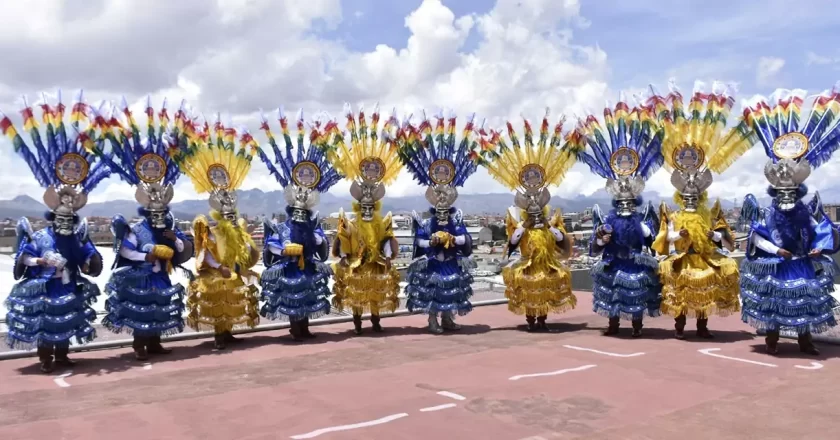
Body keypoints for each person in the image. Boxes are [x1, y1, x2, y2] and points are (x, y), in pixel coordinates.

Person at [2, 93, 108, 372]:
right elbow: (24, 257)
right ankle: (45, 358)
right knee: (47, 321)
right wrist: (41, 261)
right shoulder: (40, 236)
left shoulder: (77, 235)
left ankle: (61, 355)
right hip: (46, 285)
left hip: (69, 283)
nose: (67, 212)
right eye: (63, 207)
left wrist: (88, 262)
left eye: (72, 209)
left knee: (65, 320)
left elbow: (88, 255)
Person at [735, 86, 840, 355]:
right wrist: (776, 250)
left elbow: (820, 229)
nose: (787, 197)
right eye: (783, 193)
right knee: (775, 302)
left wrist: (820, 248)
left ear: (798, 192)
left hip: (802, 262)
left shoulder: (805, 211)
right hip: (779, 264)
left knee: (804, 301)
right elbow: (759, 236)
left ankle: (806, 342)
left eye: (791, 193)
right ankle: (772, 342)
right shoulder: (769, 213)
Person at [94, 98, 195, 360]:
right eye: (155, 212)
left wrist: (175, 241)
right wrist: (147, 255)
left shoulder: (171, 226)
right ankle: (140, 345)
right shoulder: (136, 229)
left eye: (162, 212)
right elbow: (126, 252)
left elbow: (183, 247)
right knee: (142, 309)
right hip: (142, 276)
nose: (159, 216)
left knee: (159, 308)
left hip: (161, 275)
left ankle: (155, 343)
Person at [649, 81, 748, 339]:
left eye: (694, 194)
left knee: (706, 289)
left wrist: (715, 237)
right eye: (686, 195)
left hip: (703, 258)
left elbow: (725, 237)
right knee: (681, 291)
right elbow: (664, 238)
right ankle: (680, 327)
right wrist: (676, 236)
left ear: (701, 194)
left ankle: (702, 328)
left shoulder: (710, 212)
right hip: (684, 258)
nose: (690, 197)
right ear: (679, 195)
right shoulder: (673, 213)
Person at [567, 101, 664, 337]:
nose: (625, 207)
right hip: (614, 263)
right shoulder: (607, 219)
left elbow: (653, 240)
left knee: (637, 294)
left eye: (629, 203)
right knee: (613, 295)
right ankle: (613, 324)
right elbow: (594, 247)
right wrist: (601, 238)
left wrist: (647, 232)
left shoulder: (641, 219)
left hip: (636, 263)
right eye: (622, 204)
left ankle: (637, 326)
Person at [476, 109, 577, 331]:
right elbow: (512, 241)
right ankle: (532, 320)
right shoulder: (518, 221)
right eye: (528, 179)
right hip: (528, 264)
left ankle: (543, 320)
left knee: (546, 291)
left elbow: (561, 239)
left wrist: (548, 225)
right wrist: (526, 225)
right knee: (531, 292)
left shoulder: (551, 220)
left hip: (546, 264)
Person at [255, 109, 341, 340]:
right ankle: (295, 327)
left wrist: (316, 238)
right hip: (291, 268)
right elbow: (272, 242)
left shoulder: (312, 225)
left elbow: (320, 240)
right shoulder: (284, 227)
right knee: (293, 295)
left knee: (307, 295)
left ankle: (304, 327)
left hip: (308, 266)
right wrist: (284, 249)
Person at [178, 119, 261, 350]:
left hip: (232, 270)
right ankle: (218, 335)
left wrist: (246, 250)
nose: (230, 216)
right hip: (217, 273)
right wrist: (218, 266)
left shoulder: (237, 230)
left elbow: (244, 250)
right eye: (227, 214)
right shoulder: (212, 230)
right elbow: (206, 250)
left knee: (232, 300)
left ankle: (228, 332)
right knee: (218, 301)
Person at [396, 110, 479, 333]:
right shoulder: (427, 222)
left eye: (445, 198)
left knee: (451, 289)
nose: (442, 201)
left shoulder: (455, 219)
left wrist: (454, 237)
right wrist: (431, 241)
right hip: (434, 262)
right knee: (434, 291)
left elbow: (465, 237)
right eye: (438, 198)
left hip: (451, 261)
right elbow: (419, 240)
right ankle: (433, 320)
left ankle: (448, 319)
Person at [324, 104, 402, 334]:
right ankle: (357, 323)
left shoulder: (380, 222)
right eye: (363, 205)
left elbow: (387, 237)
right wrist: (346, 255)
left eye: (371, 206)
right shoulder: (352, 223)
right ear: (358, 205)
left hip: (375, 263)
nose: (367, 209)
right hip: (358, 265)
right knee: (358, 294)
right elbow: (343, 237)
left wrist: (387, 254)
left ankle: (376, 322)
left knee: (376, 293)